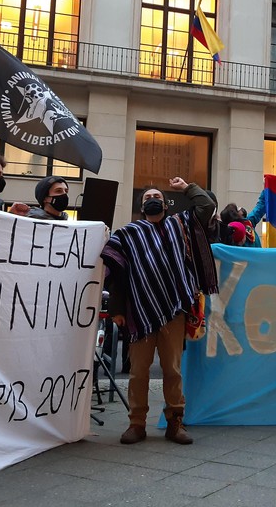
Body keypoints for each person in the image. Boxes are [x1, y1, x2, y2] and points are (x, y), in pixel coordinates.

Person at [101, 177, 218, 445]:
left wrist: (186, 187)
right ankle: (136, 423)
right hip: (139, 311)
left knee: (172, 370)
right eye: (146, 198)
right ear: (142, 208)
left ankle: (175, 422)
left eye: (156, 196)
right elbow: (118, 274)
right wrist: (118, 309)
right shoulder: (127, 234)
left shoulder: (181, 225)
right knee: (138, 371)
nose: (152, 200)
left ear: (166, 204)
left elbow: (207, 205)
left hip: (174, 310)